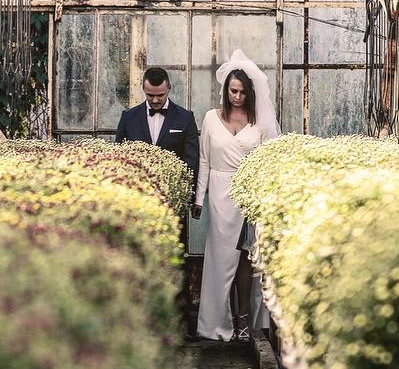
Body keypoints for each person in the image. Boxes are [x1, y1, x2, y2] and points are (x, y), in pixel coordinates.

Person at [192, 50, 281, 341]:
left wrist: (266, 200)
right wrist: (199, 199)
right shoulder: (209, 119)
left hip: (249, 194)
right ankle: (216, 323)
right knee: (219, 259)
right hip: (219, 195)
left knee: (246, 258)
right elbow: (204, 159)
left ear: (250, 93)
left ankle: (244, 320)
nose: (237, 97)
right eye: (233, 91)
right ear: (225, 90)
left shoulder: (261, 124)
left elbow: (269, 162)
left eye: (242, 92)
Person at [116, 67, 200, 332]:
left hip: (173, 206)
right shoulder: (128, 118)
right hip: (138, 205)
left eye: (159, 95)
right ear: (144, 90)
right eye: (150, 95)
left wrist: (186, 197)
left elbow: (192, 161)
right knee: (141, 257)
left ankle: (182, 323)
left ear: (169, 89)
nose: (154, 100)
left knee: (177, 258)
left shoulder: (185, 118)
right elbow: (119, 159)